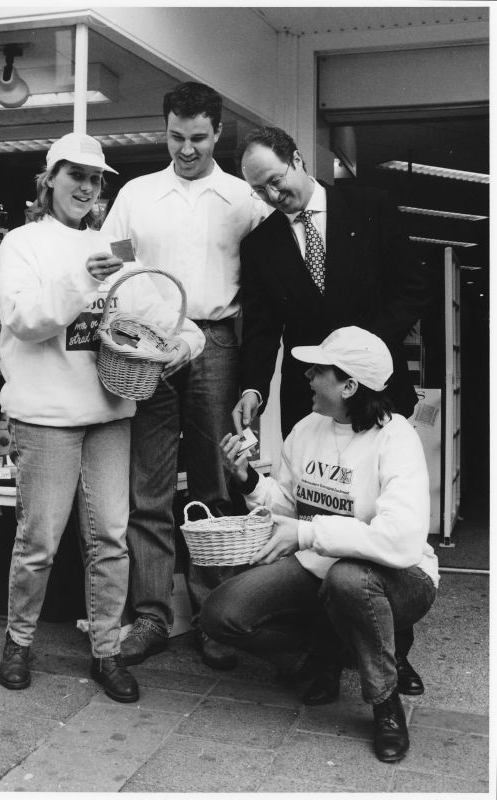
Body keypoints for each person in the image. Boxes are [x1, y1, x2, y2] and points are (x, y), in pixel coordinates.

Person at [0, 132, 205, 703]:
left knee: (111, 538)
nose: (87, 187)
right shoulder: (22, 243)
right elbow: (24, 321)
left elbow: (162, 310)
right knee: (39, 540)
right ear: (50, 180)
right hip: (45, 414)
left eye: (95, 179)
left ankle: (106, 651)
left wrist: (184, 344)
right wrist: (83, 278)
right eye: (76, 175)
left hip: (110, 412)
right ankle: (19, 640)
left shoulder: (115, 247)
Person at [231, 125, 427, 695]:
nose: (273, 196)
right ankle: (324, 652)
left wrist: (359, 357)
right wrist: (252, 390)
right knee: (320, 519)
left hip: (379, 391)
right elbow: (262, 329)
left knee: (377, 519)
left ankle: (394, 651)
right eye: (260, 191)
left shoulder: (370, 206)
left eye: (276, 181)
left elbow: (412, 289)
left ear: (298, 159)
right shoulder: (262, 244)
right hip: (310, 401)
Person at [201, 326, 439, 763]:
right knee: (220, 614)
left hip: (400, 578)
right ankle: (323, 655)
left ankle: (385, 702)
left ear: (349, 386)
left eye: (319, 370)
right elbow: (289, 505)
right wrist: (248, 480)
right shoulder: (308, 428)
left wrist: (308, 534)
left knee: (349, 579)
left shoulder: (396, 438)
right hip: (318, 567)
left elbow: (401, 540)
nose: (307, 375)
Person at [101, 82, 267, 670]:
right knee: (147, 486)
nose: (187, 149)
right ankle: (152, 617)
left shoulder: (244, 199)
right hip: (148, 341)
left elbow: (267, 280)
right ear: (164, 129)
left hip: (216, 342)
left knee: (214, 483)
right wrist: (152, 326)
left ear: (219, 132)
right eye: (176, 137)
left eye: (198, 138)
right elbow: (114, 264)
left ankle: (215, 617)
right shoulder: (137, 194)